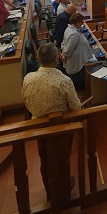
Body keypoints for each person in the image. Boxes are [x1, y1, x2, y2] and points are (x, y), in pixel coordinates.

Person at [21, 44, 81, 199]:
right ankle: (63, 193)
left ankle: (50, 190)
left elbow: (27, 103)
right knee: (62, 158)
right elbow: (76, 107)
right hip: (61, 126)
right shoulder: (64, 80)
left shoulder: (28, 79)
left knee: (45, 158)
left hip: (39, 127)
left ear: (38, 58)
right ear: (56, 59)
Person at [61, 13, 95, 91]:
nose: (82, 24)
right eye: (81, 22)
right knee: (77, 80)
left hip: (75, 58)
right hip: (76, 61)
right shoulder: (74, 34)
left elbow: (63, 43)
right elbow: (69, 50)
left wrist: (63, 53)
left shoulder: (68, 29)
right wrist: (64, 54)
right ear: (77, 22)